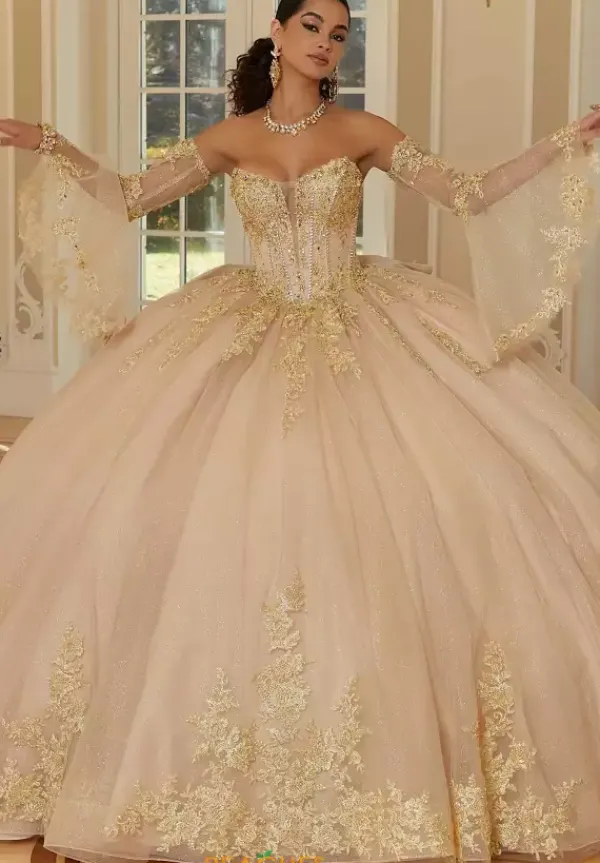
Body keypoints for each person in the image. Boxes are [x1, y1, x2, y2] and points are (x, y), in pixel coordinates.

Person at [1, 0, 600, 861]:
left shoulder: (363, 131)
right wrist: (50, 143)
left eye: (339, 33)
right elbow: (127, 198)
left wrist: (564, 143)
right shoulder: (231, 137)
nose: (326, 42)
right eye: (313, 26)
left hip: (362, 327)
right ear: (278, 36)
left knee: (397, 516)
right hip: (249, 325)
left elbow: (468, 193)